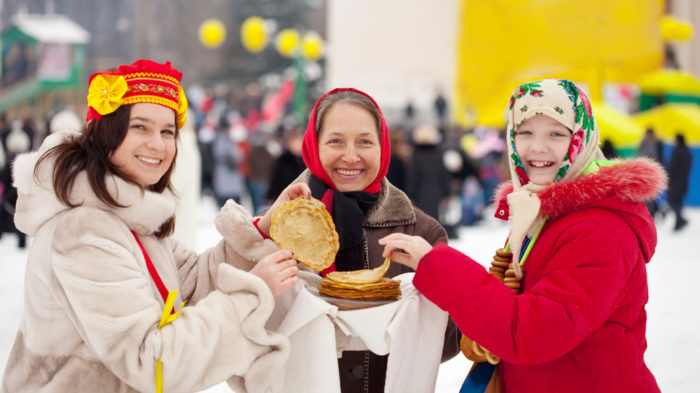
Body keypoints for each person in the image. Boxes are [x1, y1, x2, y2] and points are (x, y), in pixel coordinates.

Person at [1, 59, 310, 393]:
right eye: (140, 127)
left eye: (167, 131)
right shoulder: (85, 230)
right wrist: (251, 295)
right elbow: (152, 363)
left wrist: (266, 228)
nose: (159, 145)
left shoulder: (126, 214)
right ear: (105, 132)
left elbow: (193, 282)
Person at [380, 79, 663, 393]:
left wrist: (437, 265)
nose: (537, 148)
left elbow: (532, 332)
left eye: (556, 134)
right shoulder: (543, 211)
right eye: (524, 132)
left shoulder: (597, 230)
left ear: (581, 138)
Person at [254, 87, 460, 392]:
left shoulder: (420, 233)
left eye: (365, 142)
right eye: (335, 141)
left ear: (383, 147)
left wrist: (438, 278)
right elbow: (247, 332)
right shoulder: (277, 227)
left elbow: (446, 345)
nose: (350, 156)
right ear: (314, 145)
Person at [637, 128, 665, 218]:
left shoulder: (654, 143)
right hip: (647, 172)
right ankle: (653, 212)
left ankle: (652, 212)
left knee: (651, 196)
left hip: (651, 172)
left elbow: (643, 155)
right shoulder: (649, 142)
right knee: (649, 196)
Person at [668, 133, 692, 231]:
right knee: (678, 202)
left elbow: (673, 168)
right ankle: (678, 223)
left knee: (672, 201)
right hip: (684, 182)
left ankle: (681, 220)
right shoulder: (688, 152)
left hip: (675, 182)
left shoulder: (677, 152)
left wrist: (669, 180)